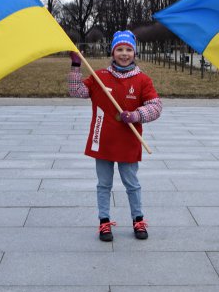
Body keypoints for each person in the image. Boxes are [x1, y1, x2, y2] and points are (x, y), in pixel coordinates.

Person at [68, 30, 162, 241]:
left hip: (128, 141)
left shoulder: (142, 80)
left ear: (134, 53)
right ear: (112, 52)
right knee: (104, 184)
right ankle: (104, 222)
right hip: (103, 141)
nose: (124, 53)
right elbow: (77, 92)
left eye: (128, 49)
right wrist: (75, 66)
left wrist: (137, 114)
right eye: (119, 49)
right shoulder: (100, 76)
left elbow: (156, 106)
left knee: (132, 183)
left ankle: (138, 220)